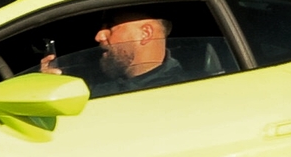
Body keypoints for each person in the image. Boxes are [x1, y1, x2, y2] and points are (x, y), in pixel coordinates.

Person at [40, 9, 191, 96]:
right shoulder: (102, 77)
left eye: (110, 26)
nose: (99, 36)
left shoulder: (174, 92)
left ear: (145, 33)